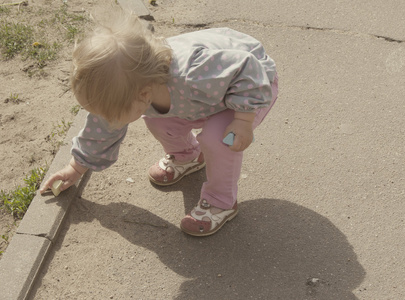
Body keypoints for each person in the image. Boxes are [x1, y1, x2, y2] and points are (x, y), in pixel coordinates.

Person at [40, 12, 278, 237]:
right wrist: (76, 167)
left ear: (144, 95)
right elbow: (102, 127)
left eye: (111, 115)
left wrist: (243, 120)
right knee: (156, 119)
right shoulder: (136, 85)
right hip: (206, 95)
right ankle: (188, 156)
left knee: (218, 139)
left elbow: (247, 68)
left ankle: (221, 201)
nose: (108, 120)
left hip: (248, 87)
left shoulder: (193, 73)